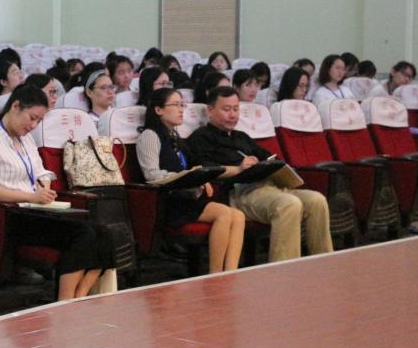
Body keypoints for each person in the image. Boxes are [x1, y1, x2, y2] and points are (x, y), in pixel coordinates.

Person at [0, 85, 114, 299]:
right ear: (15, 106)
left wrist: (45, 187)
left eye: (39, 121)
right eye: (32, 118)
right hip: (12, 217)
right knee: (82, 234)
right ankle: (65, 301)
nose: (33, 126)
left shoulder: (27, 140)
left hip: (38, 211)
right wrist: (32, 196)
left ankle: (80, 295)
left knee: (103, 231)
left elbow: (42, 172)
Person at [185, 86, 333, 262]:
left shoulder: (242, 136)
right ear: (210, 110)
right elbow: (204, 169)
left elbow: (270, 157)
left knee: (317, 200)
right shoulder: (200, 138)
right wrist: (239, 167)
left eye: (236, 109)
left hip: (270, 187)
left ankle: (324, 262)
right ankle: (283, 270)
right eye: (226, 109)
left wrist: (273, 166)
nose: (232, 115)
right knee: (289, 204)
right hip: (239, 192)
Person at [137, 88, 245, 272]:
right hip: (167, 200)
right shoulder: (149, 135)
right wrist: (186, 176)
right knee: (224, 214)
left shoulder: (174, 137)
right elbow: (151, 174)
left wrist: (198, 178)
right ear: (158, 110)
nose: (181, 110)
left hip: (185, 196)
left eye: (182, 105)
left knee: (238, 216)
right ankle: (216, 274)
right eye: (175, 105)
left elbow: (191, 166)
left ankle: (231, 272)